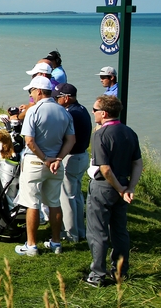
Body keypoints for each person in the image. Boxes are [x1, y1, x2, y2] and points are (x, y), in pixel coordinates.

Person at [84, 95, 143, 287]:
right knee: (119, 231)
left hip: (104, 187)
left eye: (95, 110)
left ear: (104, 113)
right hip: (124, 186)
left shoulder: (101, 135)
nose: (93, 112)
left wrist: (118, 189)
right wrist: (129, 188)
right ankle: (120, 271)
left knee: (98, 232)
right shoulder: (129, 132)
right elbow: (137, 163)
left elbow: (105, 169)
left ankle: (97, 275)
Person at [14, 76, 76, 257]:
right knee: (54, 203)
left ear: (39, 91)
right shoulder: (64, 112)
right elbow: (71, 140)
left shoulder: (34, 111)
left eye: (31, 91)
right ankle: (56, 243)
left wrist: (46, 159)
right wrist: (58, 159)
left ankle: (31, 246)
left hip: (35, 161)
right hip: (56, 165)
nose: (31, 94)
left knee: (31, 203)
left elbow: (30, 141)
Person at [52, 83, 92, 243]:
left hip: (72, 158)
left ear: (66, 98)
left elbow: (65, 138)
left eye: (57, 97)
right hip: (82, 157)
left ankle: (71, 235)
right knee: (76, 197)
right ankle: (80, 232)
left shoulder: (71, 114)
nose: (55, 100)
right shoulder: (80, 109)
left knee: (67, 198)